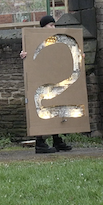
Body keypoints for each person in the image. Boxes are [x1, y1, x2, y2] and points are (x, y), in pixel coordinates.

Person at [19, 15, 73, 154]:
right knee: (43, 110)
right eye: (50, 25)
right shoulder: (35, 39)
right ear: (43, 27)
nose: (53, 28)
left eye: (54, 25)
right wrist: (24, 55)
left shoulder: (56, 39)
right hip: (41, 81)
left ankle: (57, 139)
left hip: (55, 79)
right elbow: (32, 57)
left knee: (55, 109)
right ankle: (40, 142)